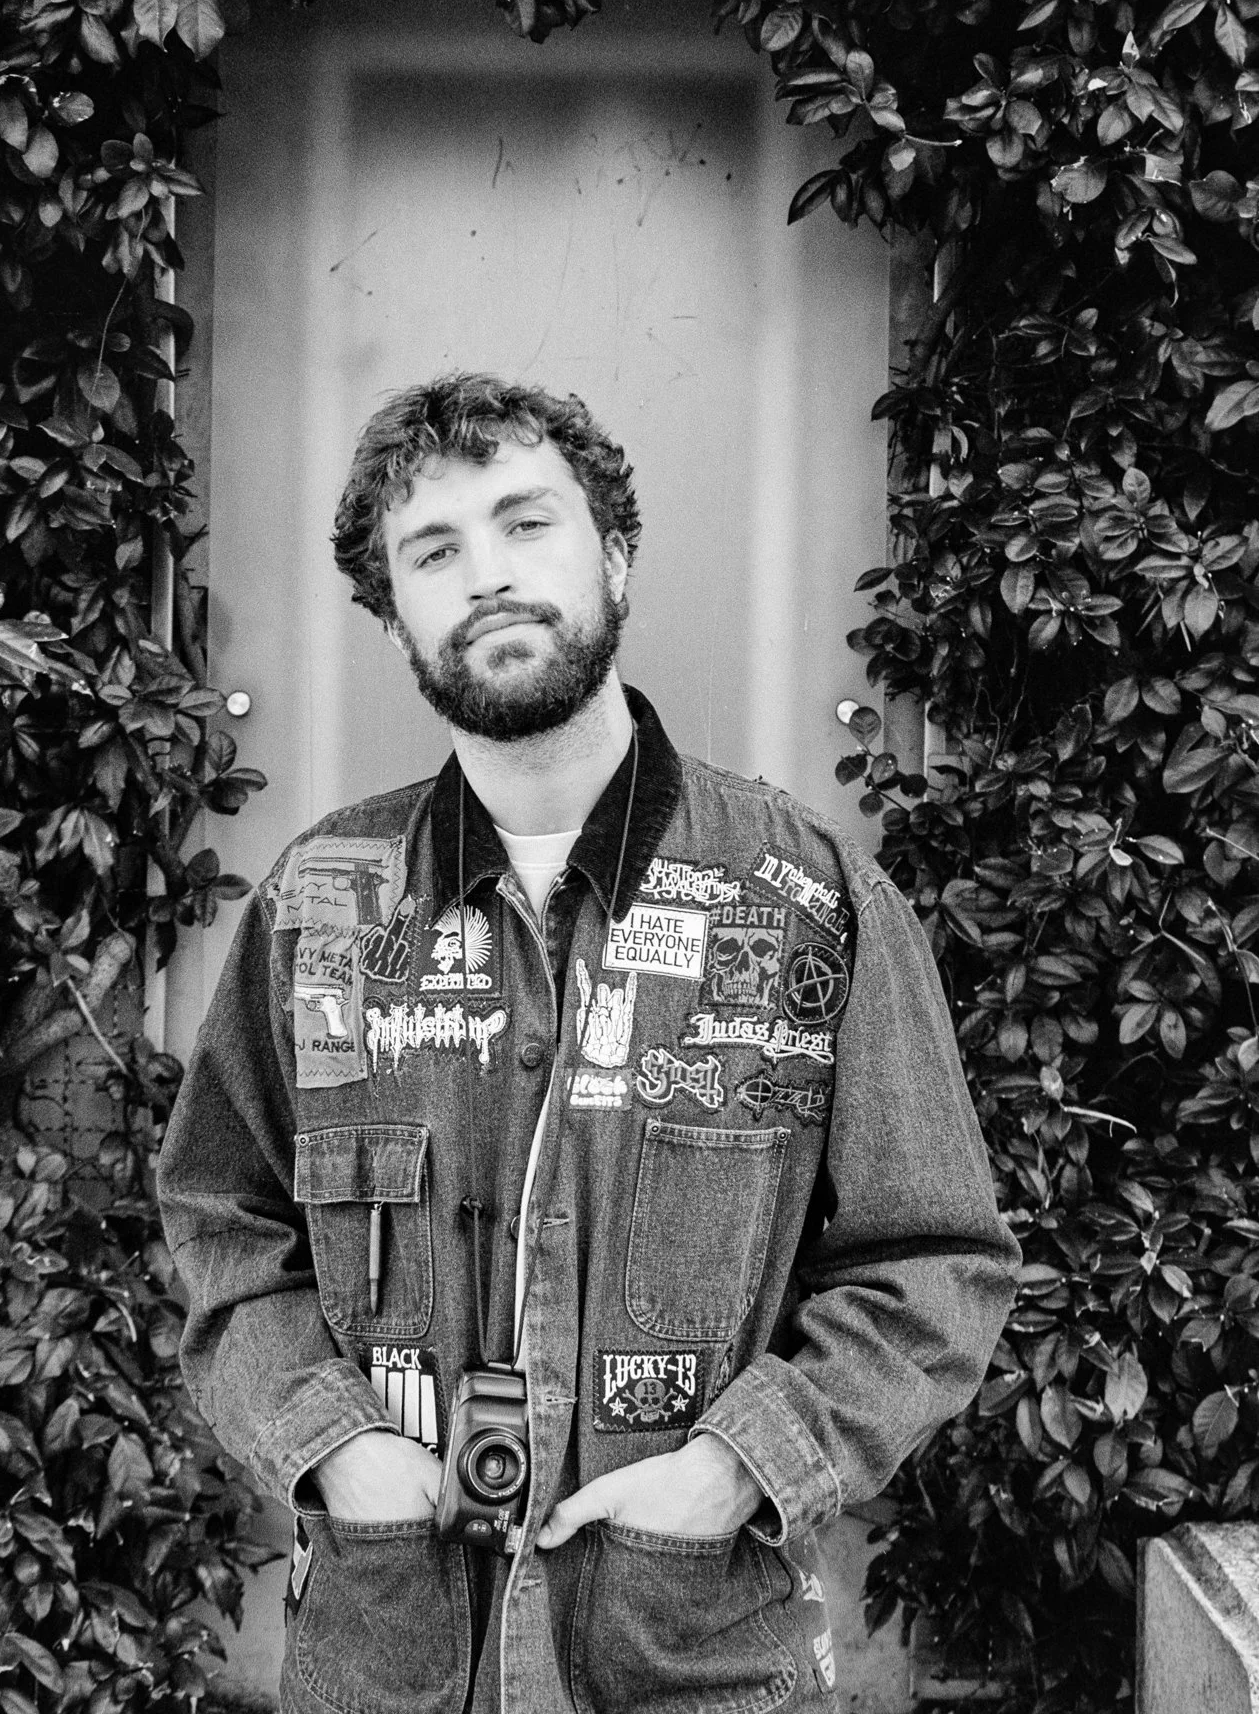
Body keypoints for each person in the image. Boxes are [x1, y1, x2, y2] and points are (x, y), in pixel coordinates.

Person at [157, 372, 1020, 1714]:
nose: (486, 575)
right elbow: (220, 1218)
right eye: (433, 553)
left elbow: (931, 1260)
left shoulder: (810, 898)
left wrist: (741, 1466)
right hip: (392, 1656)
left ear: (614, 552)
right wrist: (332, 1445)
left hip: (699, 1654)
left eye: (526, 525)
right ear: (393, 619)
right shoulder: (318, 904)